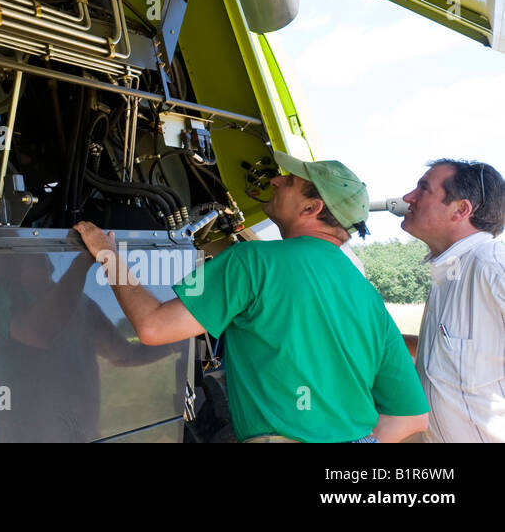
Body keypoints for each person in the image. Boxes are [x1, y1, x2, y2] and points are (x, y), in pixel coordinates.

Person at [74, 151, 428, 443]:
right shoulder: (366, 294)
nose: (275, 180)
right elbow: (413, 416)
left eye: (288, 181)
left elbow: (153, 327)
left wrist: (108, 255)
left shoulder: (253, 261)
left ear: (312, 208)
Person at [399, 158, 505, 442]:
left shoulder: (492, 265)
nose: (408, 198)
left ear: (461, 209)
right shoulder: (449, 272)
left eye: (423, 189)